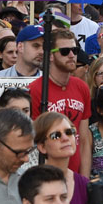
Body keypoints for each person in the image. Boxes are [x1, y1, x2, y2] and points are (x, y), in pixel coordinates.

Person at [29, 28, 93, 176]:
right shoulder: (35, 90)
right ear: (50, 55)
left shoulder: (81, 87)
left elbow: (83, 140)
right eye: (65, 51)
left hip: (75, 174)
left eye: (74, 50)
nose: (72, 55)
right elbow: (34, 142)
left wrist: (83, 181)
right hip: (47, 175)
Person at [34, 111, 90, 204]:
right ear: (42, 147)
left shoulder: (84, 184)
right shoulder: (32, 184)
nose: (65, 138)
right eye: (56, 136)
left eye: (69, 132)